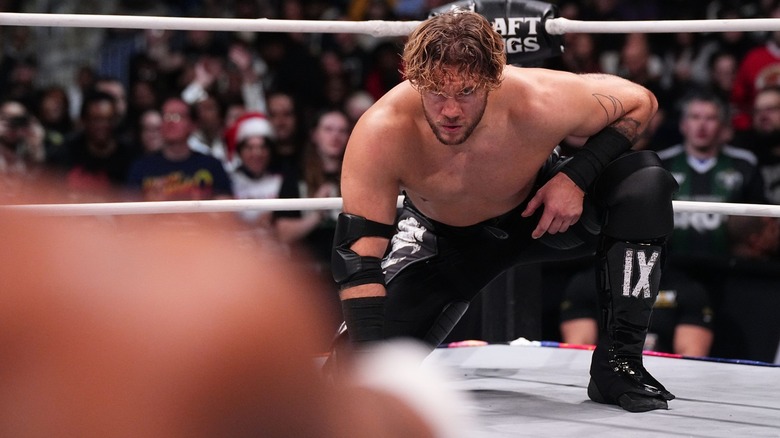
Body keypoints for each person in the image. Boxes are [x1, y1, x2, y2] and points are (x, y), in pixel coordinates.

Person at [331, 10, 679, 413]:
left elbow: (641, 101)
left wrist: (577, 177)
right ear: (413, 78)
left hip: (538, 214)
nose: (450, 111)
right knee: (348, 378)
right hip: (443, 246)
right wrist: (377, 380)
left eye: (466, 92)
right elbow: (358, 259)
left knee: (645, 182)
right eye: (436, 92)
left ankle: (620, 364)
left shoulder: (538, 97)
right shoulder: (382, 131)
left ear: (494, 79)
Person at [656, 91, 767, 261]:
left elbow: (763, 222)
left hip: (731, 269)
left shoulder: (744, 164)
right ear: (683, 124)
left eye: (710, 118)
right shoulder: (661, 164)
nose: (702, 125)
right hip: (673, 268)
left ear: (722, 126)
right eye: (695, 117)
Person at [560, 265, 714, 356]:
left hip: (667, 377)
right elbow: (579, 350)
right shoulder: (587, 284)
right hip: (605, 370)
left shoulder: (687, 289)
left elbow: (691, 356)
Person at [126, 97, 232, 201]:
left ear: (193, 125)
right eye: (166, 116)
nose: (170, 122)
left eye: (177, 117)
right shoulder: (142, 167)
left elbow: (225, 205)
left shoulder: (212, 165)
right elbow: (129, 208)